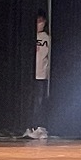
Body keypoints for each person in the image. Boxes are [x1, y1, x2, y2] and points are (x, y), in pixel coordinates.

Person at [25, 11, 51, 139]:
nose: (39, 24)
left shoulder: (46, 38)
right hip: (30, 74)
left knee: (39, 101)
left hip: (41, 75)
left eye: (41, 21)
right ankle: (30, 126)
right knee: (29, 100)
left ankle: (39, 126)